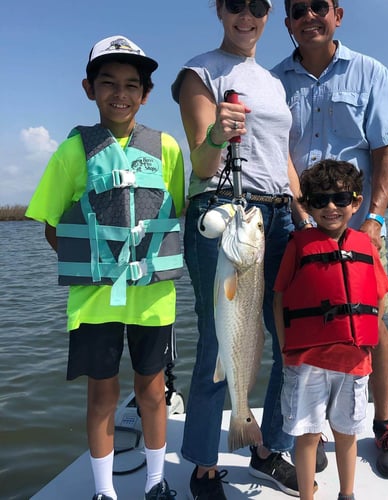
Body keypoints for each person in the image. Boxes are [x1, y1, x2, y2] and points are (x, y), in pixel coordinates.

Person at [170, 1, 323, 498]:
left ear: (267, 14)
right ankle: (203, 463)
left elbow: (282, 159)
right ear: (219, 10)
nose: (247, 15)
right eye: (236, 4)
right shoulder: (200, 72)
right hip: (225, 212)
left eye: (258, 6)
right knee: (219, 340)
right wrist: (219, 132)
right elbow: (202, 162)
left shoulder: (274, 83)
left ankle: (267, 445)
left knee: (286, 339)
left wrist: (302, 211)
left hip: (276, 216)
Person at [25, 35, 185, 500]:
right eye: (108, 82)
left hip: (154, 298)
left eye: (132, 85)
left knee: (154, 393)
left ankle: (157, 483)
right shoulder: (73, 152)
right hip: (94, 300)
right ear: (88, 88)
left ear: (146, 94)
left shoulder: (168, 149)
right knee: (102, 397)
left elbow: (175, 210)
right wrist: (97, 262)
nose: (121, 93)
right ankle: (103, 492)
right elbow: (52, 225)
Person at [272, 0, 388, 478]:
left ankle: (383, 422)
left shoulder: (371, 72)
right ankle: (315, 425)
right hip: (297, 222)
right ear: (287, 22)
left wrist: (375, 218)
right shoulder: (274, 82)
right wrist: (297, 210)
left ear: (338, 14)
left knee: (372, 321)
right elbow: (274, 152)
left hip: (358, 222)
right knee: (298, 320)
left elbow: (385, 149)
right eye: (298, 9)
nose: (310, 15)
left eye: (319, 6)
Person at [274, 159, 388, 500]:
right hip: (306, 361)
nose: (331, 208)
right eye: (321, 200)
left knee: (346, 432)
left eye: (341, 200)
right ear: (308, 203)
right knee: (307, 434)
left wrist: (367, 341)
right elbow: (279, 299)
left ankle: (347, 493)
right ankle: (307, 495)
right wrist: (286, 352)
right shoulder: (299, 245)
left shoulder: (365, 246)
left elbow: (379, 297)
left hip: (354, 363)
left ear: (356, 203)